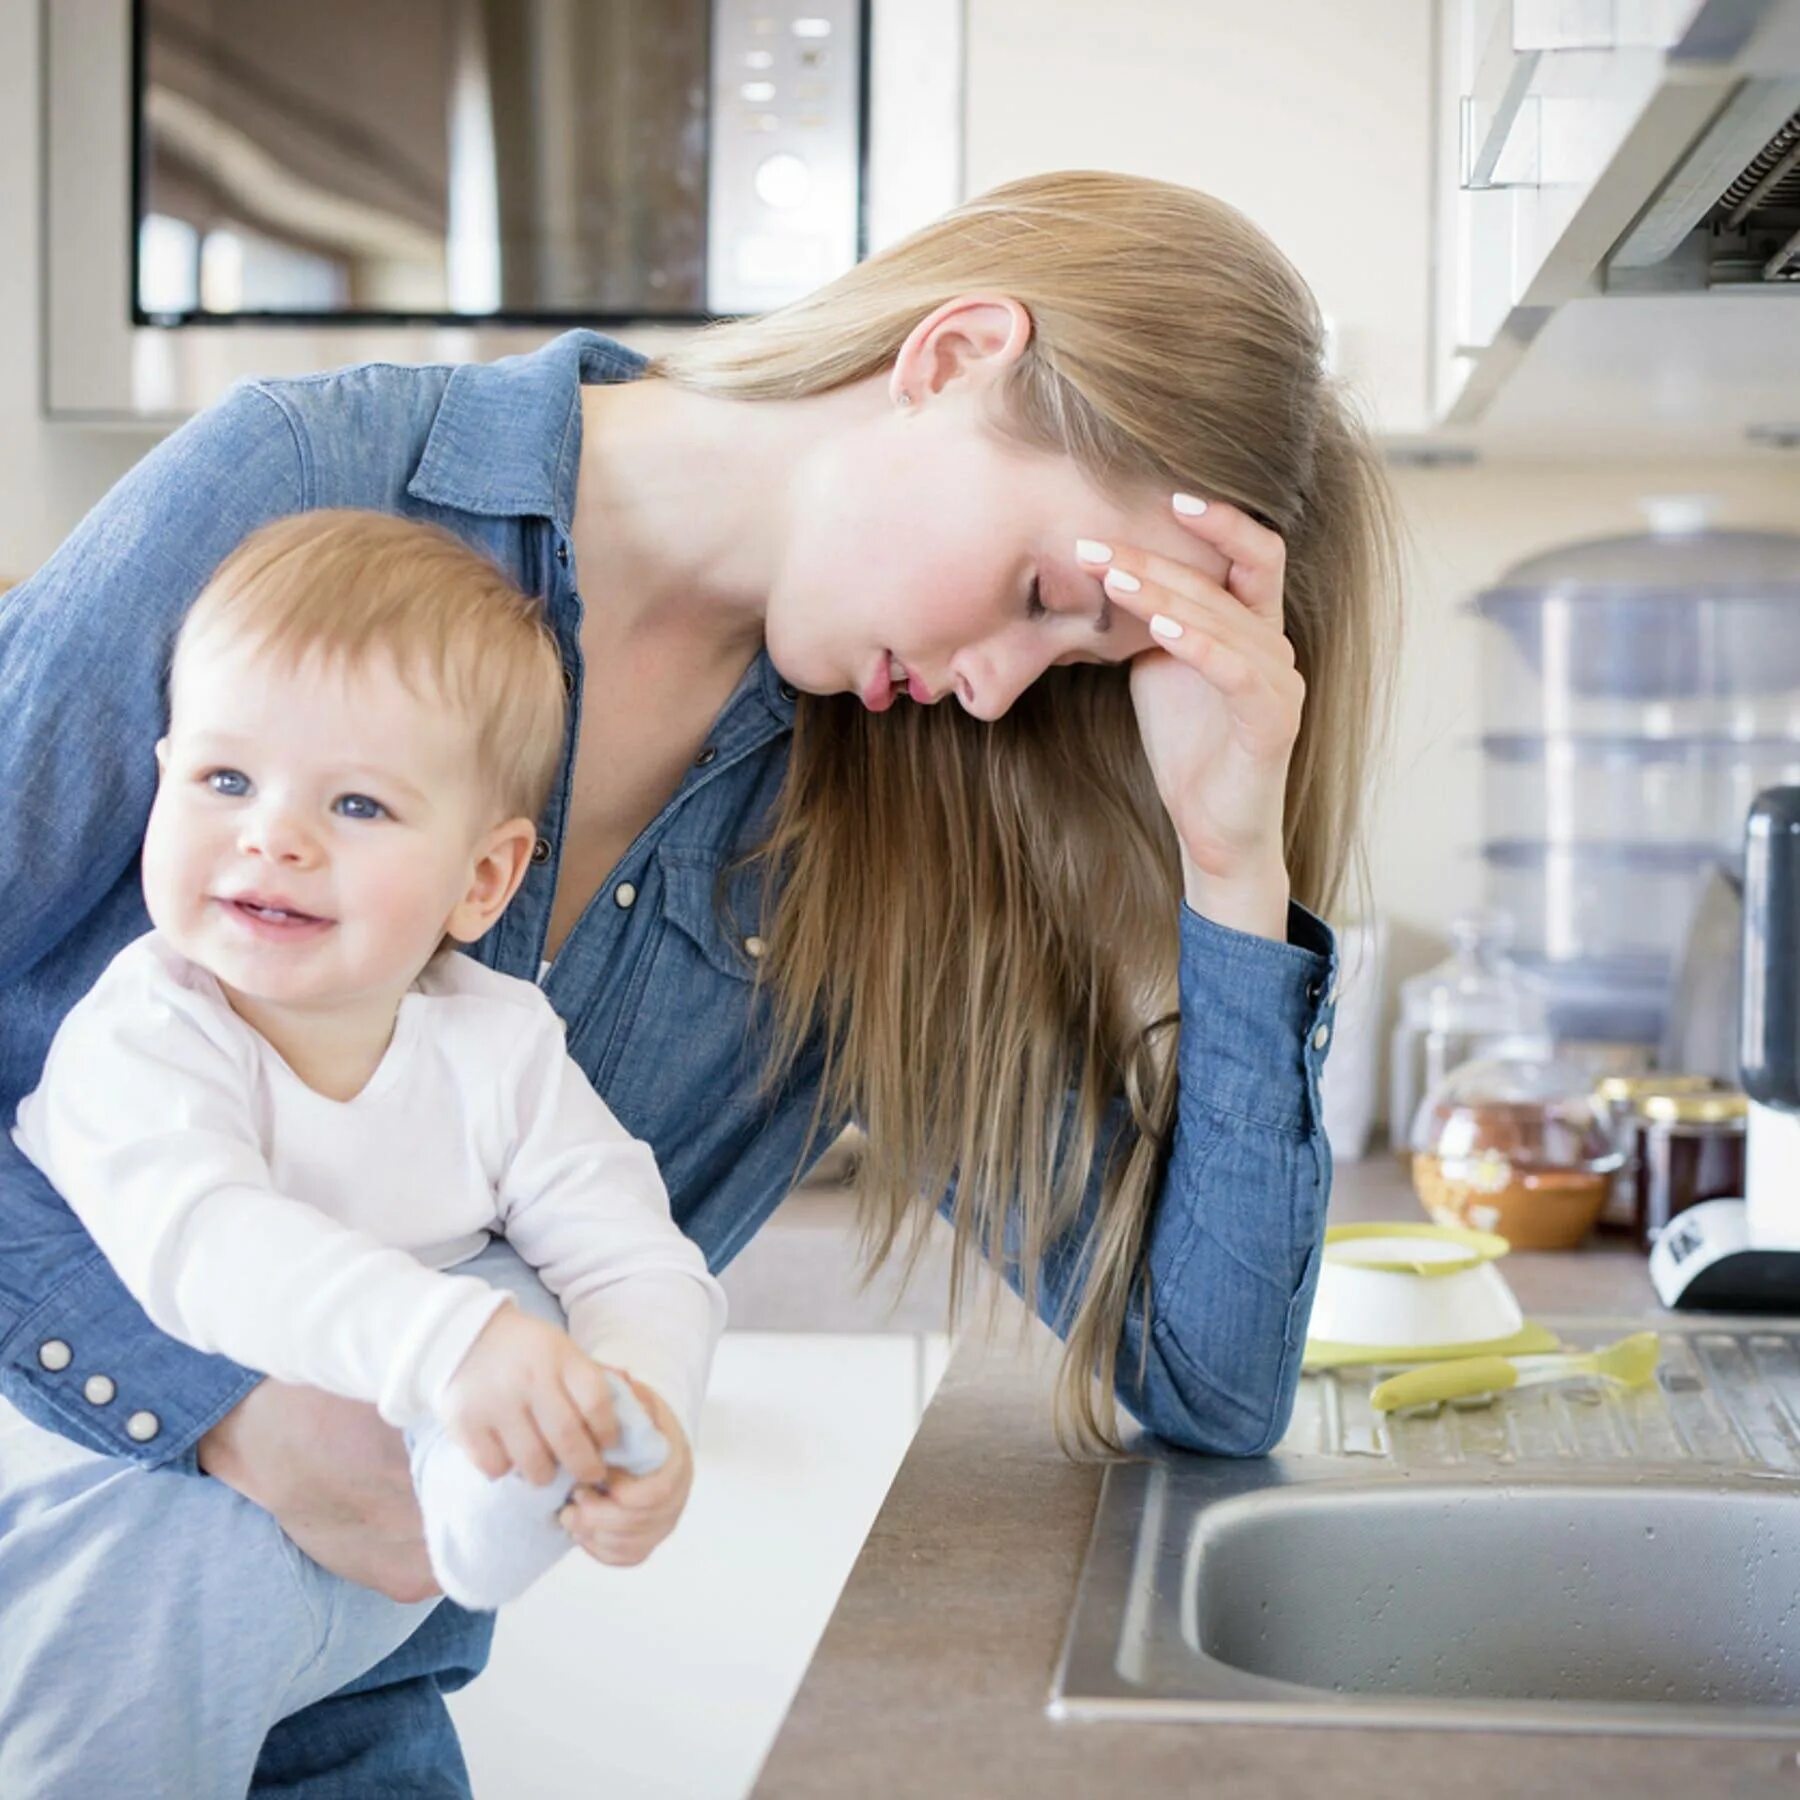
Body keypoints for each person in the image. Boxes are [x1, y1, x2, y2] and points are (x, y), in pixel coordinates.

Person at [0, 169, 1401, 1795]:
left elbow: (1210, 1387)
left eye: (1079, 662)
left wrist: (1233, 864)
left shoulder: (899, 824)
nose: (1006, 684)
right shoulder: (311, 482)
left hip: (351, 1721)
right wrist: (220, 1409)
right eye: (1036, 599)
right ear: (954, 357)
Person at [10, 508, 724, 1632]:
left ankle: (505, 1493)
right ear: (164, 779)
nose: (274, 836)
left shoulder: (500, 1047)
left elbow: (638, 1257)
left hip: (348, 1558)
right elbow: (206, 1245)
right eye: (225, 779)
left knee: (517, 1296)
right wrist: (455, 1346)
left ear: (484, 879)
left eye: (357, 804)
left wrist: (637, 1407)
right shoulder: (146, 1032)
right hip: (109, 1527)